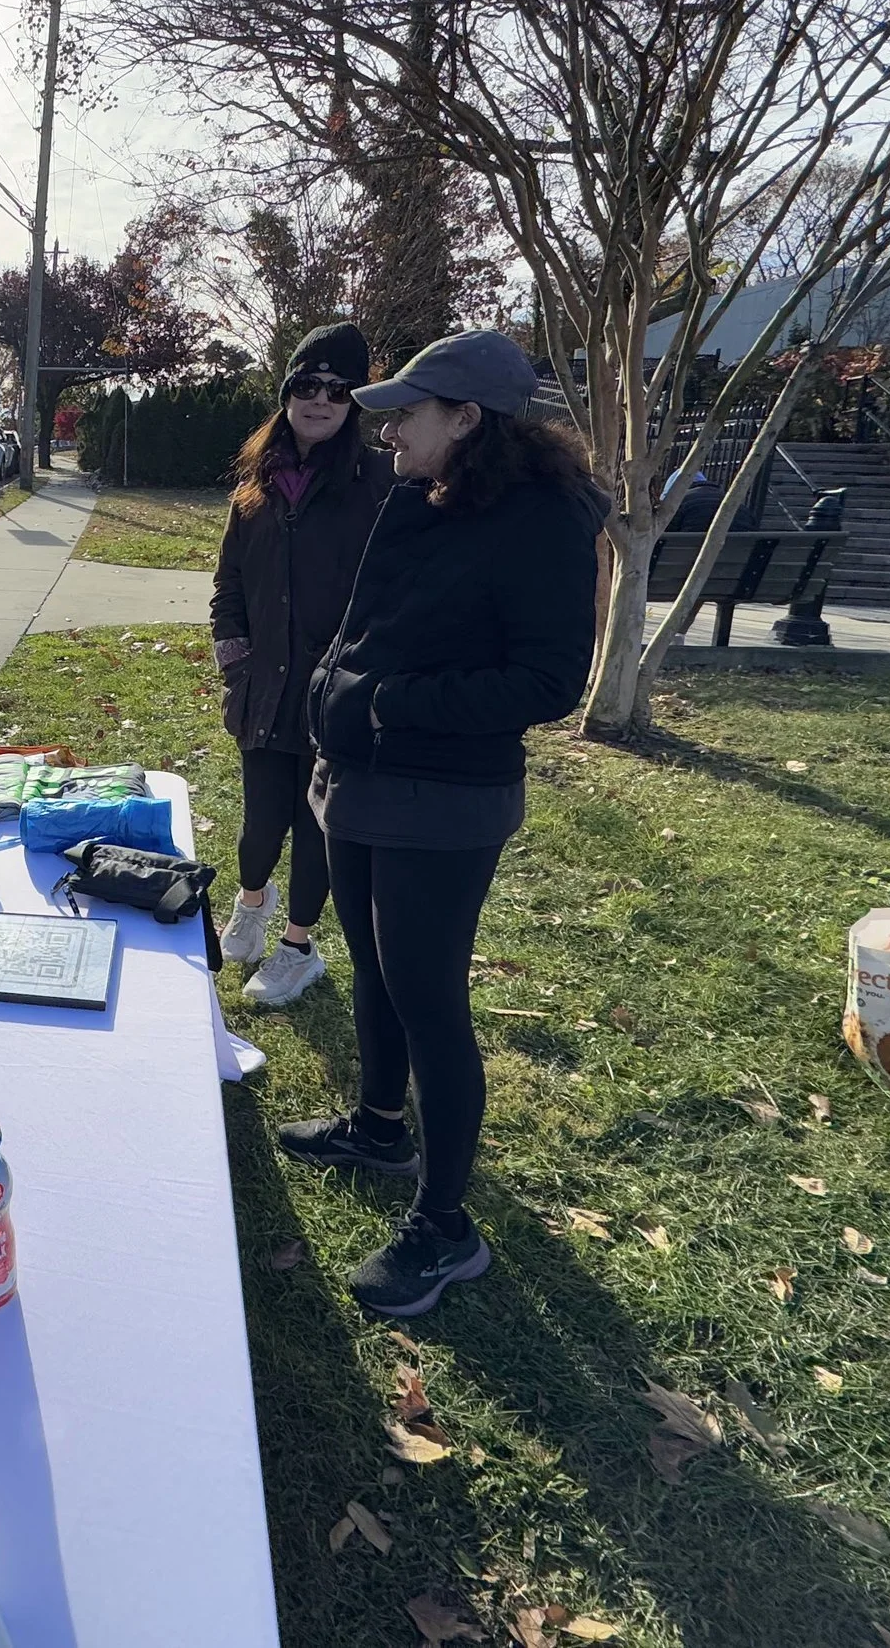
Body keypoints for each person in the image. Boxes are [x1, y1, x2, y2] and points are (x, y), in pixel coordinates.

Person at [281, 331, 604, 1318]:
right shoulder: (418, 497)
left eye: (406, 413)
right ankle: (382, 1126)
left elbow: (548, 680)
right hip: (360, 781)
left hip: (442, 797)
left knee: (428, 997)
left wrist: (392, 705)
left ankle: (444, 1227)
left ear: (467, 421)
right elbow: (368, 627)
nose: (387, 429)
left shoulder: (543, 521)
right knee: (374, 970)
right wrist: (336, 703)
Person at [209, 322, 395, 1007]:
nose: (321, 399)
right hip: (264, 689)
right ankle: (254, 899)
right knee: (260, 824)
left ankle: (298, 947)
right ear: (288, 391)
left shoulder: (377, 482)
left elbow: (393, 589)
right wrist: (235, 661)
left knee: (317, 826)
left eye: (338, 389)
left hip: (334, 694)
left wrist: (360, 672)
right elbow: (228, 584)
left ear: (355, 402)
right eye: (307, 385)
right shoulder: (255, 486)